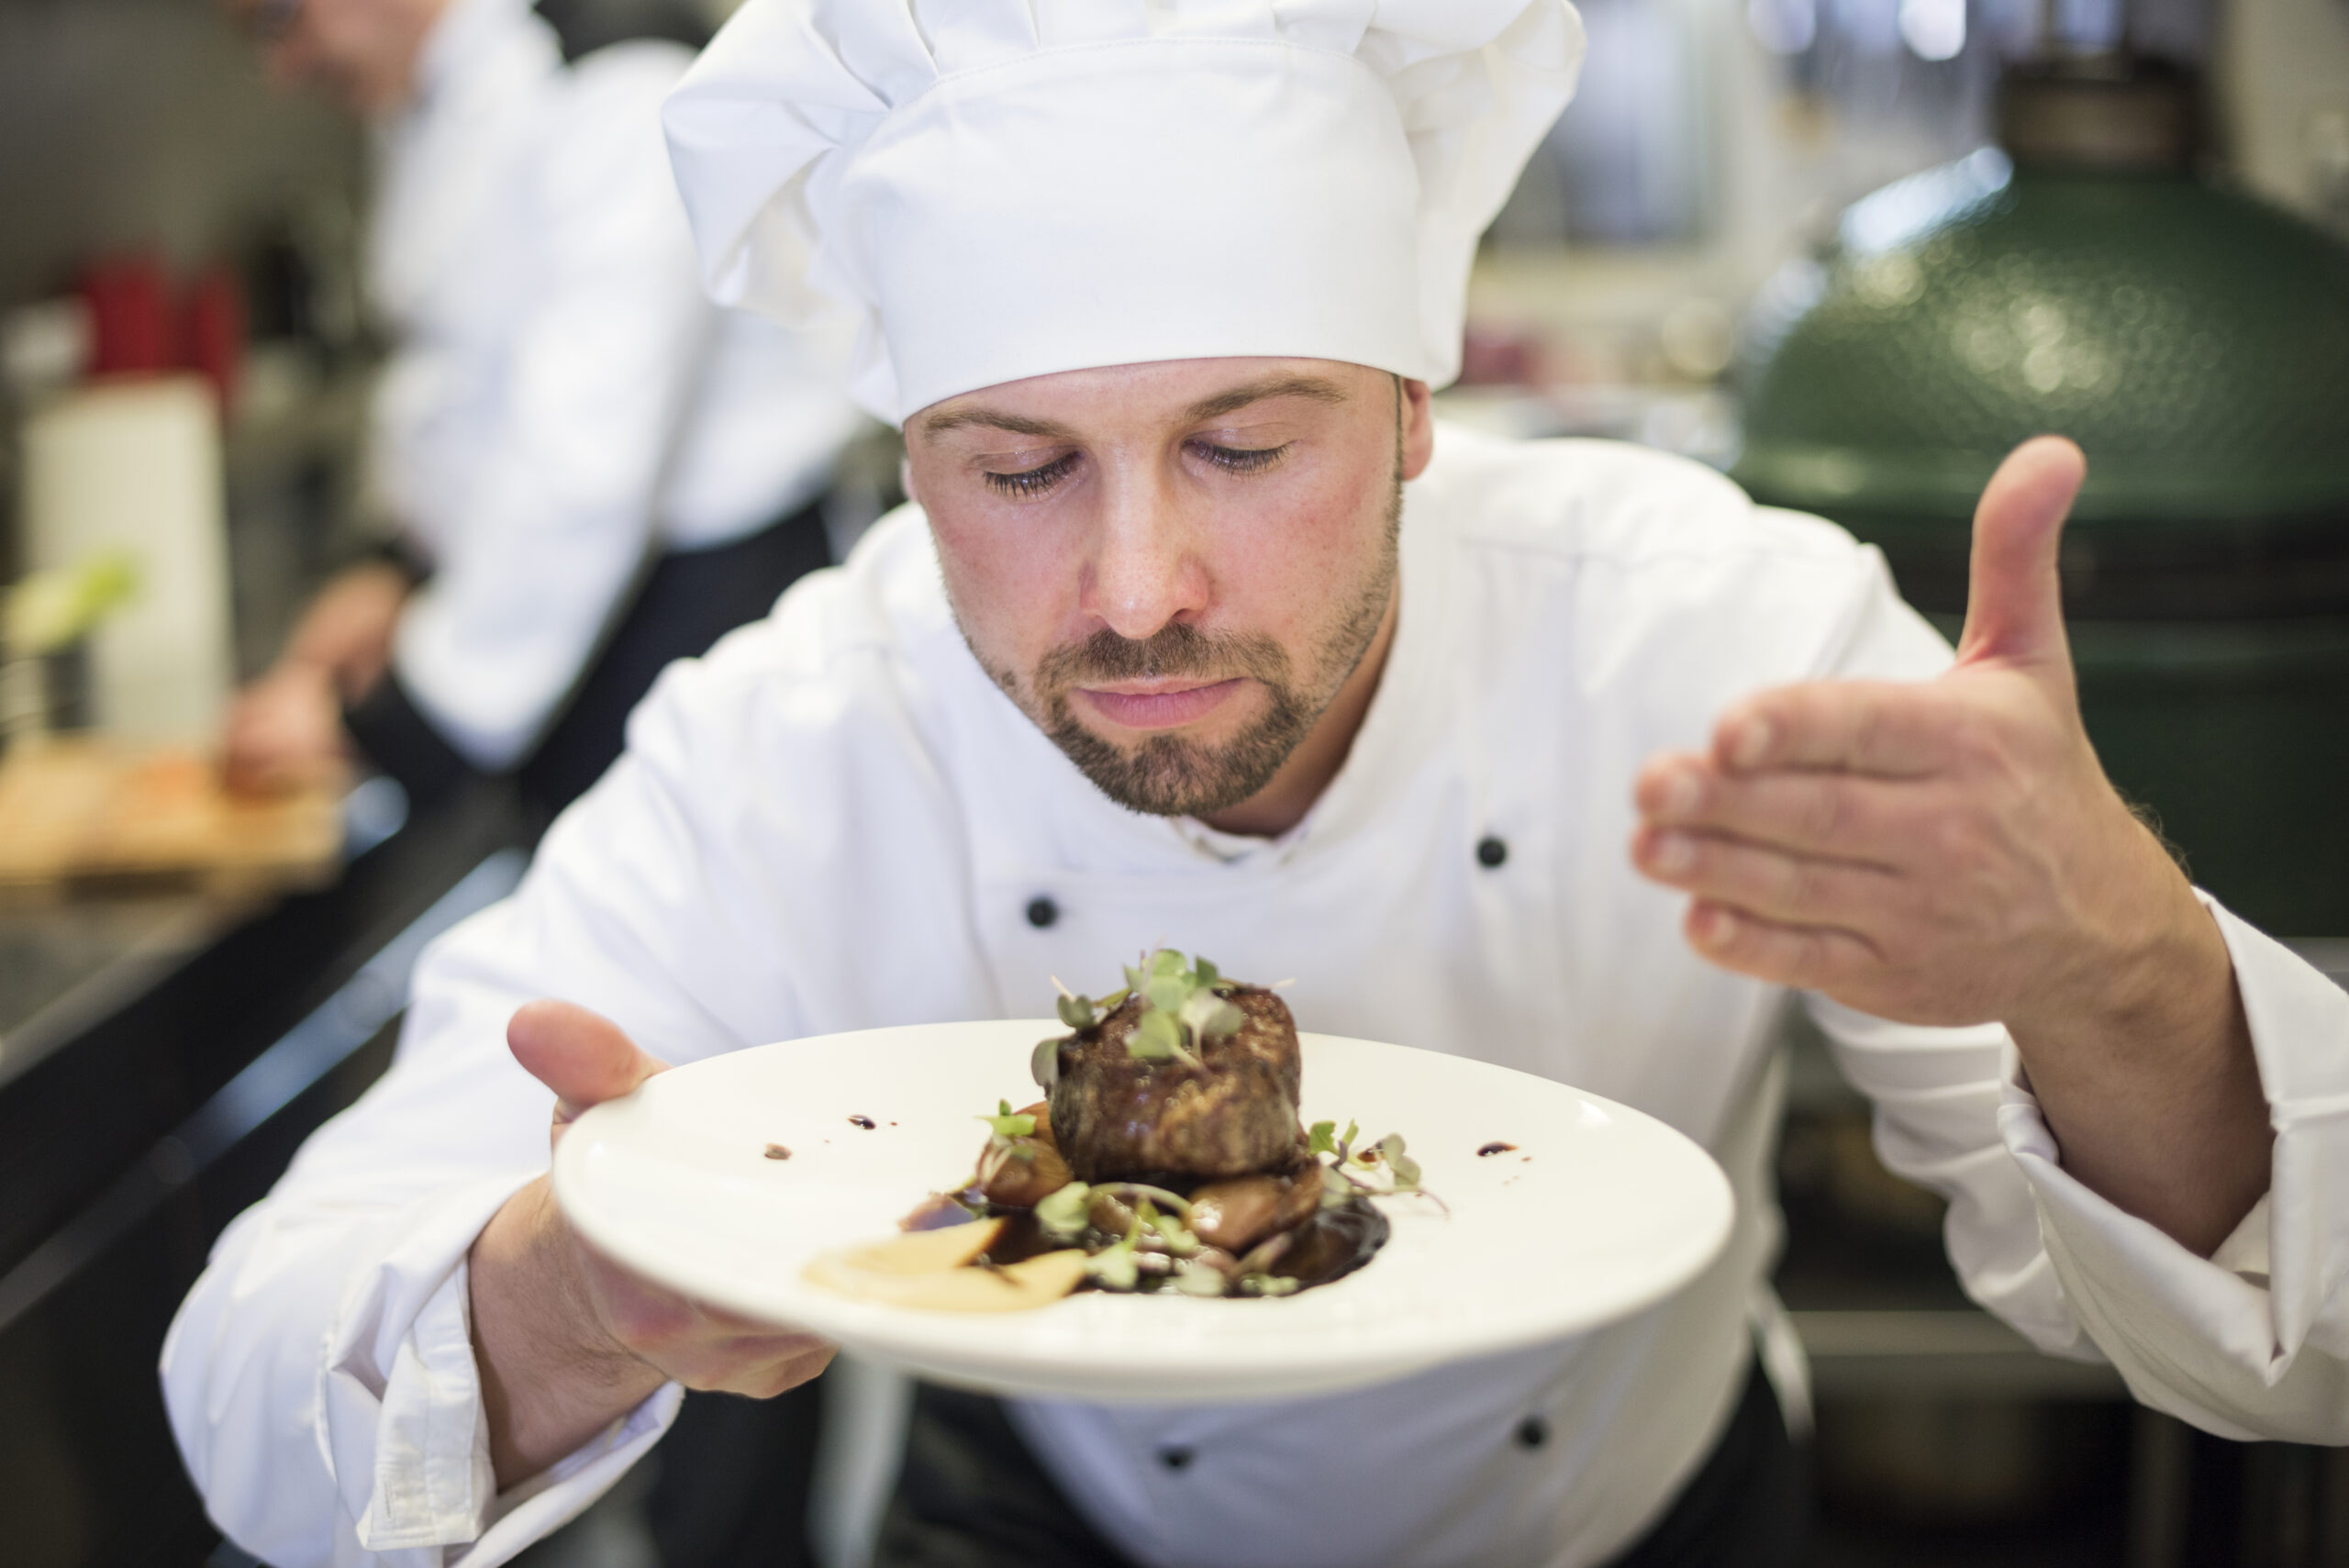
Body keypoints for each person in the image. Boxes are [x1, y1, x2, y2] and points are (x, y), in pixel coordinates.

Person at [164, 3, 2349, 1565]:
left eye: (1242, 443)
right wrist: (561, 1300)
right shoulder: (809, 730)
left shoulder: (1708, 635)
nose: (1136, 592)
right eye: (1015, 470)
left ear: (1412, 408)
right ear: (906, 466)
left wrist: (2119, 967)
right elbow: (252, 1394)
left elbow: (2302, 1351)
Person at [221, 0, 864, 819]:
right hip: (583, 625)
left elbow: (588, 458)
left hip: (702, 624)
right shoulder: (438, 90)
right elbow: (465, 378)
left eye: (280, 22)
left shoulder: (614, 73)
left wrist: (398, 721)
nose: (281, 71)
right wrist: (394, 566)